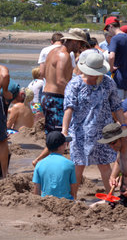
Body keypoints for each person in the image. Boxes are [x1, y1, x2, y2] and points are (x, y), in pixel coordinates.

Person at [62, 52, 126, 193]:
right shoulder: (75, 84)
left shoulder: (108, 82)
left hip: (104, 133)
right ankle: (72, 199)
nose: (94, 76)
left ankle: (112, 199)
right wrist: (64, 130)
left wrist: (124, 125)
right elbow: (69, 108)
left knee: (104, 165)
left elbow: (117, 106)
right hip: (80, 133)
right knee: (78, 166)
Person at [32, 29, 89, 166]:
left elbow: (43, 73)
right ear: (74, 41)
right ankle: (38, 161)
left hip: (48, 96)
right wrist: (77, 95)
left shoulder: (52, 52)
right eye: (80, 44)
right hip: (56, 98)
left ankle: (47, 162)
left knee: (52, 134)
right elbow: (61, 81)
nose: (81, 47)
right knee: (59, 135)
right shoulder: (64, 56)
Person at [32, 131, 77, 200]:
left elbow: (36, 192)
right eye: (65, 143)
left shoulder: (39, 164)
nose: (66, 145)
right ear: (61, 146)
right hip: (66, 202)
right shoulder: (69, 164)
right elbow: (73, 191)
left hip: (46, 201)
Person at [106, 17, 127, 99]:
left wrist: (110, 69)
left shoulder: (115, 39)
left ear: (111, 26)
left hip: (119, 79)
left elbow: (111, 56)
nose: (108, 32)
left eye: (107, 29)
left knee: (117, 107)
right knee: (126, 108)